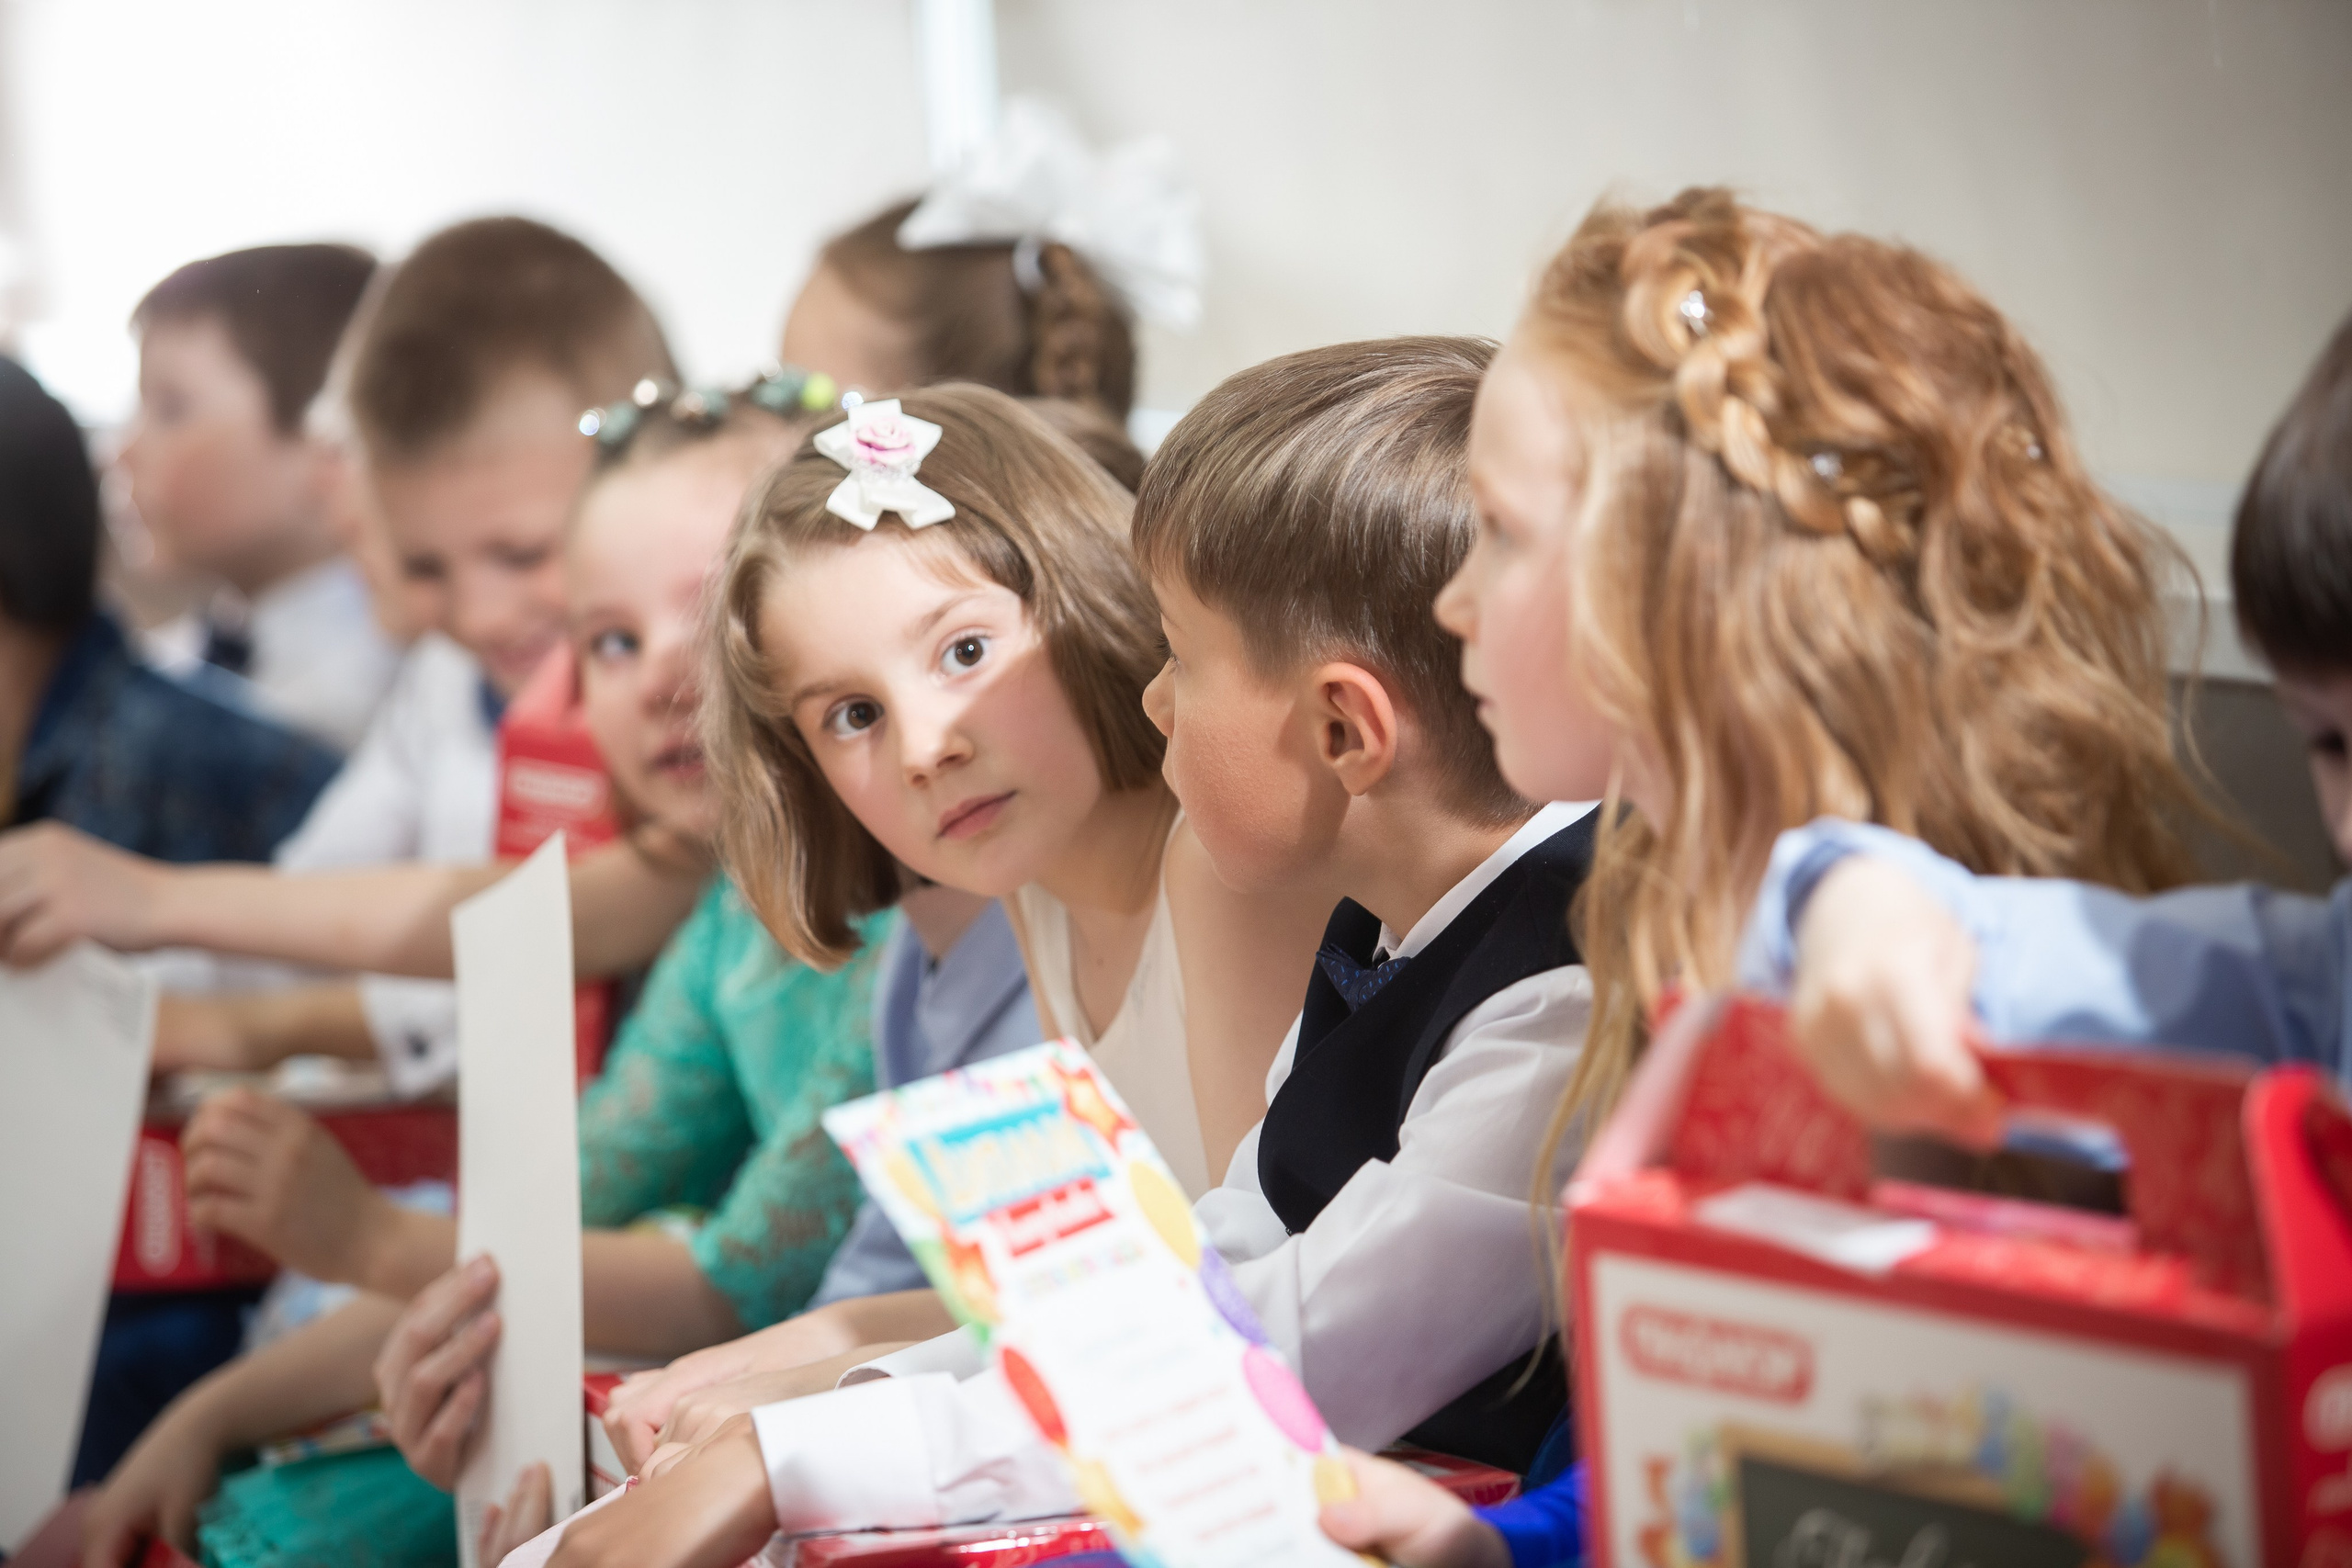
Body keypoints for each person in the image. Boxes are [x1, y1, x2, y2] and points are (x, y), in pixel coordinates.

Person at [516, 341, 1601, 1568]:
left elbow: (1281, 1349)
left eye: (1179, 657)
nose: (1153, 696)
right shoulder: (1364, 932)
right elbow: (1201, 1272)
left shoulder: (1536, 984)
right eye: (852, 712)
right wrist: (844, 1387)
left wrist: (807, 1433)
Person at [1317, 187, 2218, 1568]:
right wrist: (1499, 1545)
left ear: (1680, 577)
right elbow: (1693, 1460)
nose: (1453, 601)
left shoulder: (1919, 1008)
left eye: (1498, 532)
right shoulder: (1675, 920)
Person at [72, 380, 887, 1568]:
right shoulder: (731, 918)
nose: (658, 672)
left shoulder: (893, 940)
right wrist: (217, 1410)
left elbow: (731, 1282)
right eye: (606, 639)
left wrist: (370, 1239)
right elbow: (561, 1201)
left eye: (710, 610)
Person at [0, 218, 707, 1092]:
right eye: (423, 566)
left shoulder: (694, 702)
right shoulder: (445, 684)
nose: (481, 614)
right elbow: (322, 892)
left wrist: (162, 909)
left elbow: (567, 914)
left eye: (523, 554)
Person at [1734, 308, 2352, 1143]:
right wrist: (1854, 902)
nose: (2347, 829)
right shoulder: (2322, 985)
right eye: (2331, 745)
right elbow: (2019, 959)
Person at [125, 243, 400, 753]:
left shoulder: (379, 708)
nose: (119, 453)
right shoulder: (167, 658)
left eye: (170, 408)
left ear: (331, 440)